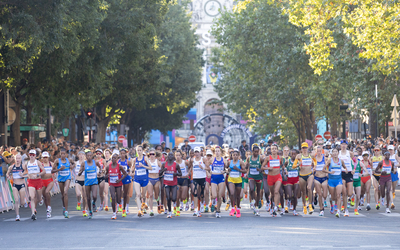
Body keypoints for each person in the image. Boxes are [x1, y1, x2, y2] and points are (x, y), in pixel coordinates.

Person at [22, 150, 46, 220]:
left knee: (38, 198)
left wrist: (38, 174)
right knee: (32, 197)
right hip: (31, 181)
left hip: (38, 181)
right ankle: (33, 213)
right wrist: (22, 174)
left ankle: (41, 198)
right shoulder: (27, 163)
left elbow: (44, 171)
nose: (32, 156)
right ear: (29, 155)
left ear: (35, 155)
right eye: (30, 155)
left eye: (33, 155)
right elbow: (24, 172)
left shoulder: (37, 162)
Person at [324, 148, 347, 218]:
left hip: (338, 180)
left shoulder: (341, 161)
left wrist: (346, 170)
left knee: (338, 195)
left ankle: (338, 211)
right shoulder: (329, 161)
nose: (335, 153)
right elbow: (323, 169)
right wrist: (330, 172)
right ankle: (332, 205)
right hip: (331, 180)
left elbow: (345, 168)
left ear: (338, 153)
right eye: (333, 152)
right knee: (333, 197)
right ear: (332, 154)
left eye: (336, 152)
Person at [261, 144, 284, 217]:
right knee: (272, 194)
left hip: (278, 177)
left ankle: (275, 207)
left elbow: (282, 165)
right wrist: (268, 168)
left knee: (276, 191)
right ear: (271, 150)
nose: (274, 150)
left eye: (275, 149)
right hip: (270, 177)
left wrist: (285, 170)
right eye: (272, 149)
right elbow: (262, 167)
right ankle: (272, 205)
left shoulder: (280, 157)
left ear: (277, 150)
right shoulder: (268, 158)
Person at [78, 150, 101, 219]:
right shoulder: (84, 163)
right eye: (88, 156)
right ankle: (90, 211)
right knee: (88, 198)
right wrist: (82, 170)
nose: (89, 157)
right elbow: (79, 173)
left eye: (90, 156)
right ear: (86, 156)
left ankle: (94, 202)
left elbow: (100, 167)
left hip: (94, 182)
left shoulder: (95, 162)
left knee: (94, 196)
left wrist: (99, 171)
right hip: (87, 182)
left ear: (92, 156)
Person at [104, 153, 128, 220]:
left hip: (118, 184)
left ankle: (120, 203)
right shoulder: (108, 167)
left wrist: (120, 179)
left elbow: (125, 174)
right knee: (113, 197)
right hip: (111, 184)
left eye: (115, 158)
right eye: (112, 158)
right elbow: (105, 175)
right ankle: (114, 213)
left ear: (117, 159)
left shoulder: (119, 166)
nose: (113, 159)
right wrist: (105, 176)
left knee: (118, 200)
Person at [53, 148, 74, 218]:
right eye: (61, 154)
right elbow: (52, 171)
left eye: (64, 154)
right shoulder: (57, 161)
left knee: (65, 193)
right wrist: (59, 169)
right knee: (62, 195)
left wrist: (72, 167)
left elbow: (74, 164)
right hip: (60, 179)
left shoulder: (69, 160)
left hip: (67, 178)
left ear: (66, 154)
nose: (62, 155)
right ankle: (64, 207)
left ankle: (66, 211)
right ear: (59, 154)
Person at [294, 142, 315, 215]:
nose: (304, 149)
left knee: (309, 188)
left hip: (309, 174)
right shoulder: (299, 156)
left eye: (305, 147)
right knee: (303, 192)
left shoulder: (311, 155)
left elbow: (315, 162)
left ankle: (310, 205)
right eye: (303, 148)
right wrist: (298, 164)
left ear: (307, 148)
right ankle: (304, 206)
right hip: (302, 175)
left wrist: (314, 166)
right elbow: (293, 166)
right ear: (301, 149)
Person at [132, 145, 152, 217]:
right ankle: (139, 210)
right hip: (137, 179)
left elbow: (150, 168)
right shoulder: (134, 160)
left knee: (143, 196)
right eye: (138, 150)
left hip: (144, 179)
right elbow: (132, 169)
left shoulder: (145, 158)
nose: (139, 152)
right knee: (138, 194)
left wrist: (143, 166)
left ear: (142, 151)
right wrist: (131, 172)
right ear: (136, 151)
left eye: (140, 150)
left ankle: (142, 204)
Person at [205, 146, 226, 218]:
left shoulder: (224, 160)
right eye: (216, 151)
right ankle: (213, 203)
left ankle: (218, 210)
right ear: (214, 152)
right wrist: (208, 172)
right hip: (213, 178)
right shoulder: (212, 159)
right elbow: (207, 166)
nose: (217, 152)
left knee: (219, 196)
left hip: (221, 178)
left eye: (218, 151)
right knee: (214, 195)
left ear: (220, 152)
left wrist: (225, 171)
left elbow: (227, 168)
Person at [160, 152, 182, 218]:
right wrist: (163, 170)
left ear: (173, 157)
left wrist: (176, 174)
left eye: (171, 155)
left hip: (174, 183)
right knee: (168, 197)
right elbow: (160, 174)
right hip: (166, 183)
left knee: (174, 198)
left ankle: (174, 205)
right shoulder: (164, 164)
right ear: (167, 157)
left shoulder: (176, 165)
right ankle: (169, 212)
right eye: (169, 155)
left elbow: (180, 174)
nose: (170, 156)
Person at [6, 154, 26, 221]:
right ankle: (17, 215)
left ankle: (24, 201)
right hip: (15, 185)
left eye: (19, 158)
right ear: (15, 159)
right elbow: (7, 173)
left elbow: (27, 172)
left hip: (22, 185)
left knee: (22, 203)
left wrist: (23, 174)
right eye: (16, 158)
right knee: (16, 200)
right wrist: (8, 176)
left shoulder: (23, 166)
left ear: (20, 159)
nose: (17, 160)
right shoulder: (11, 167)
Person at [227, 149, 246, 218]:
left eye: (236, 155)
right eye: (233, 155)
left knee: (238, 196)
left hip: (238, 181)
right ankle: (232, 208)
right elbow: (226, 169)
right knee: (232, 193)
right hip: (231, 180)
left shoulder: (240, 162)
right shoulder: (229, 162)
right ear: (232, 156)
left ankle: (238, 209)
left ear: (238, 156)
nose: (235, 156)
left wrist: (238, 169)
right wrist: (228, 170)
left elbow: (245, 171)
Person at [189, 147, 207, 217]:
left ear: (200, 152)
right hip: (195, 178)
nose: (196, 153)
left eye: (198, 152)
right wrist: (188, 172)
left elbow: (208, 168)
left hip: (202, 178)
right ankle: (196, 209)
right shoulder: (192, 160)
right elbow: (190, 167)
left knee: (201, 194)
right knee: (195, 192)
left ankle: (201, 206)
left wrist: (202, 168)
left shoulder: (203, 159)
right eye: (195, 152)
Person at [246, 144, 264, 216]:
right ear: (252, 151)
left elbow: (263, 168)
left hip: (259, 177)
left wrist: (260, 169)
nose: (256, 153)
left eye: (257, 152)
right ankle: (253, 200)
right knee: (251, 188)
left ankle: (256, 207)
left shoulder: (261, 158)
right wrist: (247, 166)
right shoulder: (249, 158)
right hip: (251, 176)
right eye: (255, 152)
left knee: (258, 191)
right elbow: (245, 166)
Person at [283, 149, 300, 216]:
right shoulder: (288, 161)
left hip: (296, 180)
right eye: (292, 154)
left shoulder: (298, 161)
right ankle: (290, 201)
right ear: (290, 155)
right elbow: (283, 166)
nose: (293, 155)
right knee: (290, 195)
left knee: (295, 195)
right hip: (289, 180)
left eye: (294, 154)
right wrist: (285, 171)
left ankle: (294, 209)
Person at [314, 146, 328, 216]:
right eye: (317, 151)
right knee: (320, 194)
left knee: (324, 195)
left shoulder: (324, 158)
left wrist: (327, 172)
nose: (319, 153)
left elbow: (327, 166)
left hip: (324, 178)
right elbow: (312, 168)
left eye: (320, 151)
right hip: (317, 178)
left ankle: (321, 201)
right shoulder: (314, 159)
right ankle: (321, 209)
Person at [176, 149, 191, 215]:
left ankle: (184, 201)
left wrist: (188, 173)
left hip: (184, 179)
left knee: (183, 196)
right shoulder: (174, 162)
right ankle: (178, 209)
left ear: (181, 156)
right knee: (177, 196)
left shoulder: (185, 162)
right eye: (176, 155)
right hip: (177, 180)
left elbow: (191, 166)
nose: (178, 156)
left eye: (179, 155)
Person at [118, 148, 132, 216]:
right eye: (121, 154)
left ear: (125, 154)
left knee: (126, 194)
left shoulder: (128, 161)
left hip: (126, 178)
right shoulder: (118, 161)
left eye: (124, 153)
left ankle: (126, 207)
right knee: (120, 193)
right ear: (120, 154)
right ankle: (120, 204)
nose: (123, 155)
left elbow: (131, 168)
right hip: (120, 178)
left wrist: (130, 172)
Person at [147, 148, 161, 216]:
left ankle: (159, 204)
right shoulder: (147, 161)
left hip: (156, 179)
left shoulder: (157, 161)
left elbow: (162, 167)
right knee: (151, 195)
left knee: (156, 195)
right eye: (150, 154)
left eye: (153, 154)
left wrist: (163, 173)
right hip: (149, 179)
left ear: (155, 155)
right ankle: (151, 210)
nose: (152, 155)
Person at [41, 151, 54, 218]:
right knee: (44, 196)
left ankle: (49, 206)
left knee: (47, 192)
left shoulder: (51, 164)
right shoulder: (41, 164)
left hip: (50, 181)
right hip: (43, 181)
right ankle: (48, 210)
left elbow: (54, 171)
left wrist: (54, 175)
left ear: (48, 157)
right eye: (44, 157)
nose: (45, 159)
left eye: (46, 157)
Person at [74, 151, 87, 217]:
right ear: (78, 156)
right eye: (80, 154)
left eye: (82, 154)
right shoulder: (76, 163)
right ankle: (78, 201)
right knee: (78, 194)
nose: (81, 156)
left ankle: (84, 210)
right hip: (78, 180)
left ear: (84, 156)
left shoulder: (86, 163)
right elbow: (70, 168)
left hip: (85, 181)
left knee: (85, 197)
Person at [388, 145, 399, 209]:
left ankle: (393, 194)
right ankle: (392, 203)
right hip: (388, 173)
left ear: (393, 150)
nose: (391, 151)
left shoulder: (395, 156)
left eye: (391, 150)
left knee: (393, 189)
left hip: (394, 173)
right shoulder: (387, 156)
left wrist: (394, 165)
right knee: (390, 189)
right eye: (389, 150)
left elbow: (399, 163)